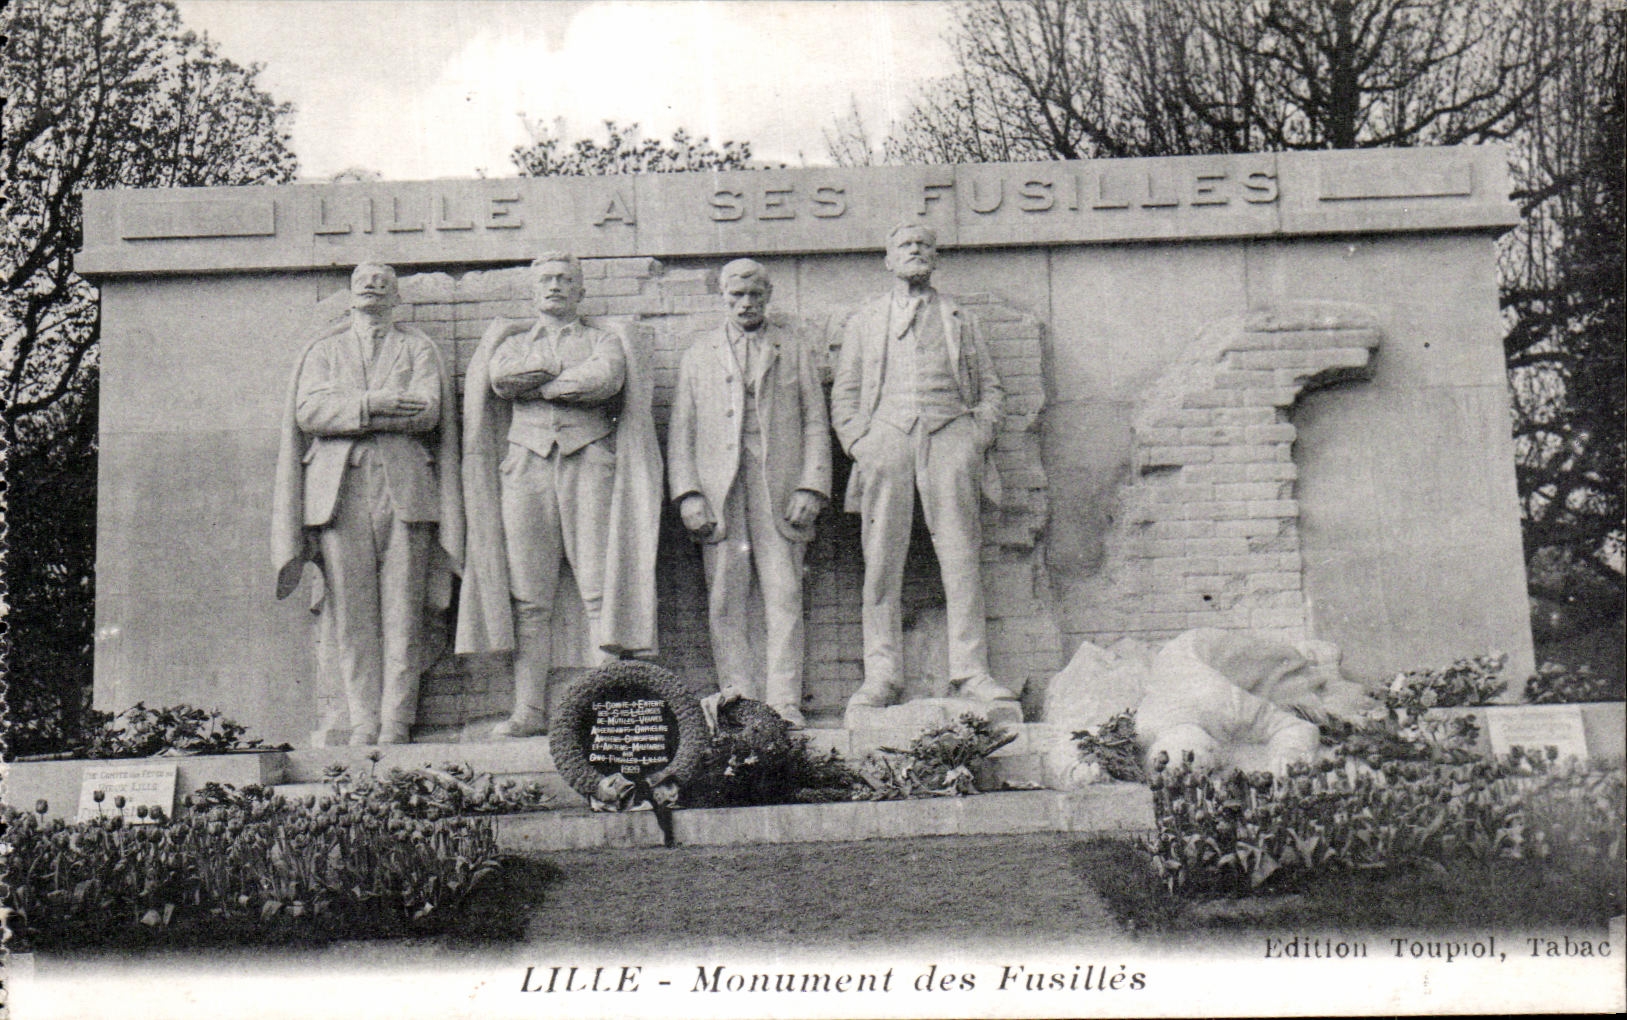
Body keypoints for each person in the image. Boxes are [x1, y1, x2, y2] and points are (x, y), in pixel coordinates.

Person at [457, 252, 662, 738]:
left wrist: (543, 383)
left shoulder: (602, 339)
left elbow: (605, 380)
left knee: (598, 588)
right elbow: (501, 380)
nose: (555, 286)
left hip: (589, 461)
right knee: (530, 598)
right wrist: (558, 373)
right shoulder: (510, 343)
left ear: (580, 291)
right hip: (525, 465)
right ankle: (529, 709)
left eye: (565, 280)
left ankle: (608, 709)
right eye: (547, 279)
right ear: (534, 290)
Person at [272, 262, 462, 745]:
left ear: (395, 296)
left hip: (405, 491)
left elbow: (427, 410)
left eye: (382, 280)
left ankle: (397, 720)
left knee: (404, 610)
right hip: (340, 492)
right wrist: (374, 405)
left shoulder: (417, 348)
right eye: (363, 280)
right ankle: (362, 720)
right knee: (352, 615)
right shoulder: (325, 350)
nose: (372, 284)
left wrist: (352, 408)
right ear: (351, 294)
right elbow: (310, 410)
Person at [829, 224, 1016, 711]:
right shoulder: (866, 320)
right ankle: (882, 676)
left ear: (935, 259)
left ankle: (971, 671)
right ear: (888, 260)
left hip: (951, 437)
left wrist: (976, 438)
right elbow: (845, 393)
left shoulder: (960, 318)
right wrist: (861, 443)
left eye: (924, 246)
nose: (915, 251)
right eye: (904, 245)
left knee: (961, 559)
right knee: (882, 563)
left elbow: (992, 389)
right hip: (886, 441)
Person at [668, 259, 831, 728]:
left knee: (784, 590)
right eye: (736, 296)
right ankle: (739, 700)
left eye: (754, 295)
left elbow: (816, 423)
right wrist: (689, 495)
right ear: (722, 297)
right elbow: (683, 430)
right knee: (725, 595)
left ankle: (784, 700)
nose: (745, 304)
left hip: (777, 487)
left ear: (768, 296)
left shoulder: (793, 349)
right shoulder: (700, 354)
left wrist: (812, 485)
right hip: (721, 490)